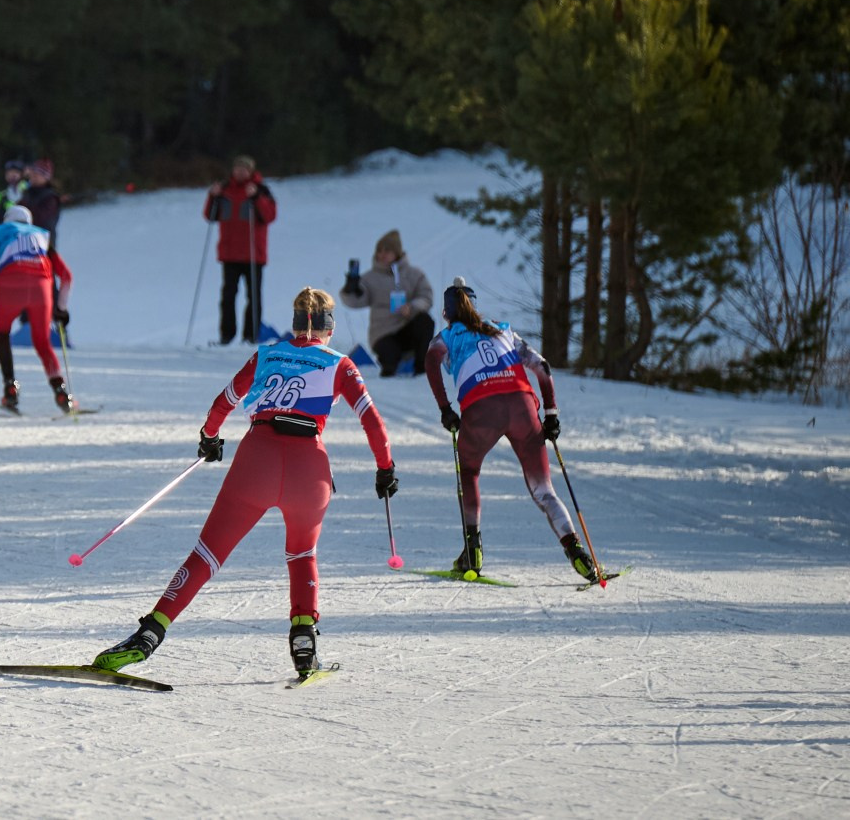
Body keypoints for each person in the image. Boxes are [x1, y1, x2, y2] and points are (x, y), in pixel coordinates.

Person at [92, 287, 397, 681]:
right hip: (310, 469)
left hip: (257, 460)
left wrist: (210, 437)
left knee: (206, 555)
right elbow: (372, 421)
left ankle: (149, 633)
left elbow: (225, 399)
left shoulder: (267, 354)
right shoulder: (341, 363)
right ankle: (304, 639)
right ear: (329, 329)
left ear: (294, 324)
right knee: (302, 554)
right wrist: (385, 468)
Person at [427, 277, 599, 581]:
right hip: (522, 407)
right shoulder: (502, 329)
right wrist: (551, 413)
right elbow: (542, 367)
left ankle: (473, 551)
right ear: (475, 307)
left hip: (481, 409)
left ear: (445, 313)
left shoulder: (446, 335)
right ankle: (576, 551)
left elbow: (431, 361)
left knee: (469, 472)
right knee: (544, 490)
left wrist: (445, 409)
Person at [0, 204, 79, 413]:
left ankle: (10, 388)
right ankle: (61, 391)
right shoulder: (42, 235)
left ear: (7, 220)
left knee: (2, 335)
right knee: (42, 342)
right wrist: (61, 309)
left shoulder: (0, 230)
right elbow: (66, 276)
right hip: (40, 288)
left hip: (9, 286)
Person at [340, 228, 434, 377]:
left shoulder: (414, 274)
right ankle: (387, 377)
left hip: (406, 328)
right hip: (382, 333)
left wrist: (412, 307)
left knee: (426, 321)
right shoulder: (369, 278)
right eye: (379, 251)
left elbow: (426, 297)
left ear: (397, 253)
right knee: (390, 361)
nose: (382, 254)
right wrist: (350, 289)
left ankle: (422, 371)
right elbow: (355, 301)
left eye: (387, 251)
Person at [205, 155, 276, 344]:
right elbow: (210, 215)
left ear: (251, 171)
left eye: (244, 169)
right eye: (238, 168)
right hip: (229, 254)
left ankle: (250, 336)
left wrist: (256, 198)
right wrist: (212, 196)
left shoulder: (261, 190)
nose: (240, 172)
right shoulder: (224, 189)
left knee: (253, 297)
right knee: (227, 297)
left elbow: (269, 216)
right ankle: (226, 335)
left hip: (253, 255)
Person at [21, 158, 63, 248]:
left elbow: (42, 219)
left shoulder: (50, 197)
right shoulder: (26, 193)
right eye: (33, 174)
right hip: (24, 243)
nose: (34, 176)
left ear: (46, 177)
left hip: (43, 243)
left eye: (38, 174)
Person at [0, 157, 28, 225]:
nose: (13, 175)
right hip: (6, 226)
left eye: (16, 172)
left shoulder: (27, 189)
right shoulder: (0, 191)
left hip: (24, 226)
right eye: (10, 173)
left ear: (21, 174)